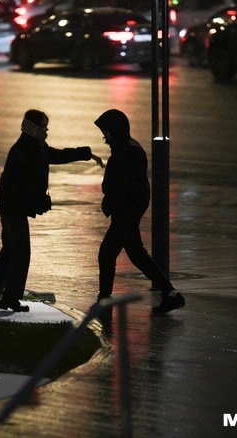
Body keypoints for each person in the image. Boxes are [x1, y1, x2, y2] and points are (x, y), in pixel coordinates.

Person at [0, 109, 104, 312]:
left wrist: (86, 153)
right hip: (12, 208)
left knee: (10, 250)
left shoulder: (34, 145)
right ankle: (10, 298)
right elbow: (21, 184)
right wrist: (37, 201)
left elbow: (56, 155)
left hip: (10, 207)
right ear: (34, 127)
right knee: (21, 252)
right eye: (44, 126)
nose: (46, 130)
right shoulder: (24, 149)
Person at [94, 109, 185, 315]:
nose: (104, 137)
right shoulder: (126, 148)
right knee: (137, 254)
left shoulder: (127, 152)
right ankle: (170, 294)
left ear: (114, 131)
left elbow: (128, 186)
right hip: (126, 212)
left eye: (106, 132)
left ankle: (104, 302)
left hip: (125, 212)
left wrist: (118, 204)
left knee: (107, 254)